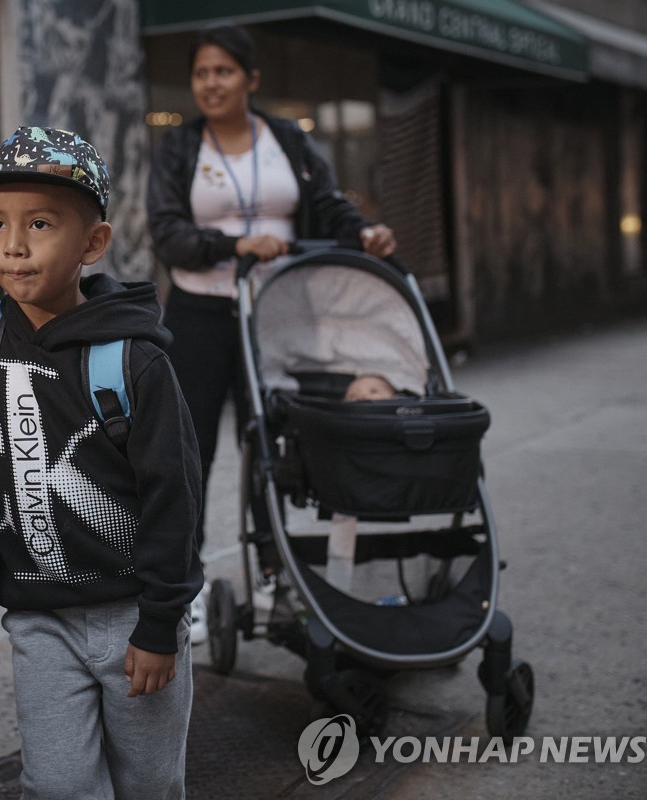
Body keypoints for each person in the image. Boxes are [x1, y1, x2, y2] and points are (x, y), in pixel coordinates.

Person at [0, 126, 203, 799]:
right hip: (39, 621)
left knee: (150, 782)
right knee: (60, 786)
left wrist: (160, 624)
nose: (13, 244)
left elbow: (173, 497)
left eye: (40, 223)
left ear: (93, 243)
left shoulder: (133, 360)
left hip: (134, 616)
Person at [145, 23, 398, 640]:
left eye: (223, 71)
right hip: (199, 315)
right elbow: (167, 233)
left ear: (250, 80)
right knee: (189, 452)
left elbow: (330, 204)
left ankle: (272, 575)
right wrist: (237, 243)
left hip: (277, 315)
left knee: (271, 447)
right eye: (202, 72)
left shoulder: (285, 138)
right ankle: (187, 589)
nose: (211, 83)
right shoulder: (180, 148)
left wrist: (364, 232)